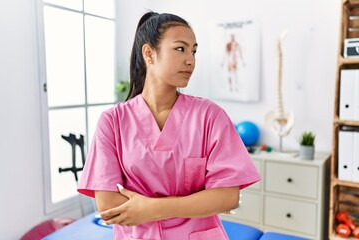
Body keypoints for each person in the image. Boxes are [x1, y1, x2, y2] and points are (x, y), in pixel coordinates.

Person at [78, 11, 260, 240]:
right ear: (149, 53)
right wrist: (194, 202)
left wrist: (149, 208)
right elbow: (108, 206)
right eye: (180, 49)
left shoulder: (210, 116)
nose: (190, 60)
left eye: (194, 51)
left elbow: (227, 198)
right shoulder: (112, 121)